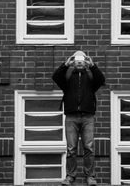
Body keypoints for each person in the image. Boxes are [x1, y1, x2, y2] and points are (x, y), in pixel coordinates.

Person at [52, 50, 105, 186]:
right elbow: (55, 77)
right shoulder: (68, 77)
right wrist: (65, 64)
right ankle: (70, 176)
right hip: (71, 117)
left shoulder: (90, 76)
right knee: (71, 149)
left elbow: (101, 80)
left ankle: (90, 177)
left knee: (89, 148)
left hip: (88, 117)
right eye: (77, 60)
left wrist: (92, 66)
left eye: (82, 59)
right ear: (74, 62)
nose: (80, 62)